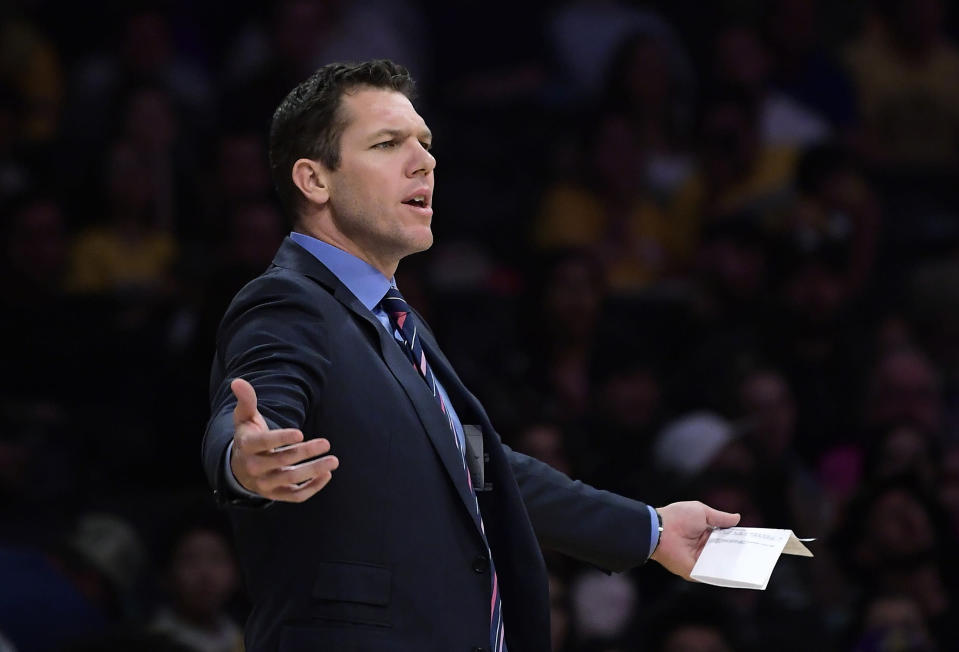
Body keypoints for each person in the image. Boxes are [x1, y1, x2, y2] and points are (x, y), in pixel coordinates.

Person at [202, 60, 740, 652]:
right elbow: (257, 410)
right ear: (314, 179)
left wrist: (653, 530)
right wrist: (244, 459)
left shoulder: (397, 324)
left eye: (425, 144)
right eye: (387, 144)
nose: (424, 161)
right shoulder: (289, 301)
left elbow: (484, 471)